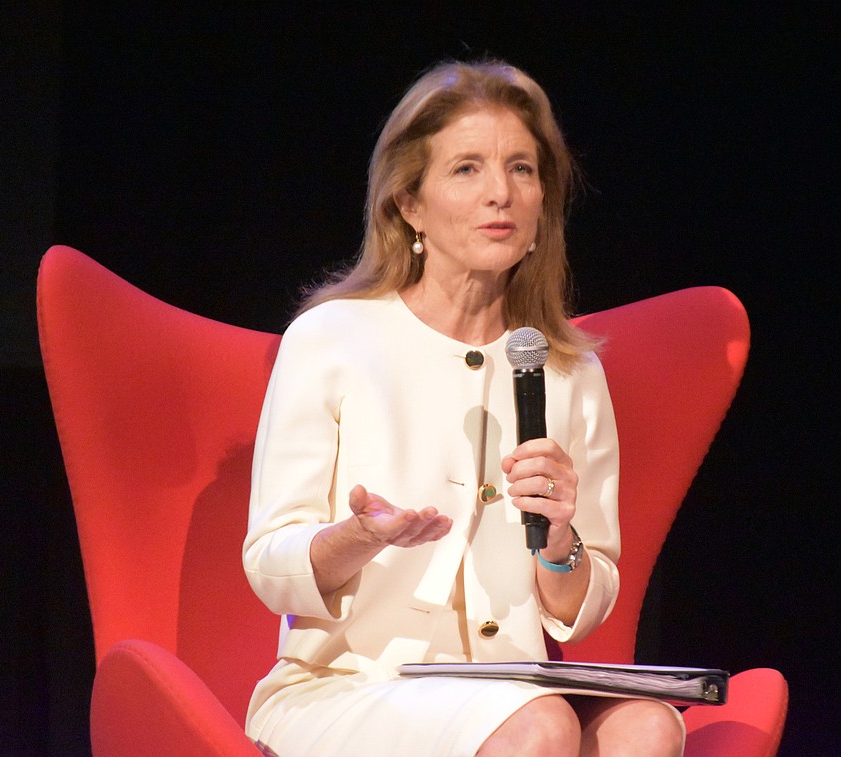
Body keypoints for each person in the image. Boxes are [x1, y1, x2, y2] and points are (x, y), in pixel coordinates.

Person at [243, 59, 685, 756]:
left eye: (522, 169)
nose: (500, 194)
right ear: (409, 204)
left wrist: (562, 540)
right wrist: (359, 534)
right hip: (345, 688)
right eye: (467, 170)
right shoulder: (332, 340)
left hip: (509, 686)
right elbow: (270, 564)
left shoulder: (569, 371)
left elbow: (581, 606)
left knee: (648, 725)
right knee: (541, 725)